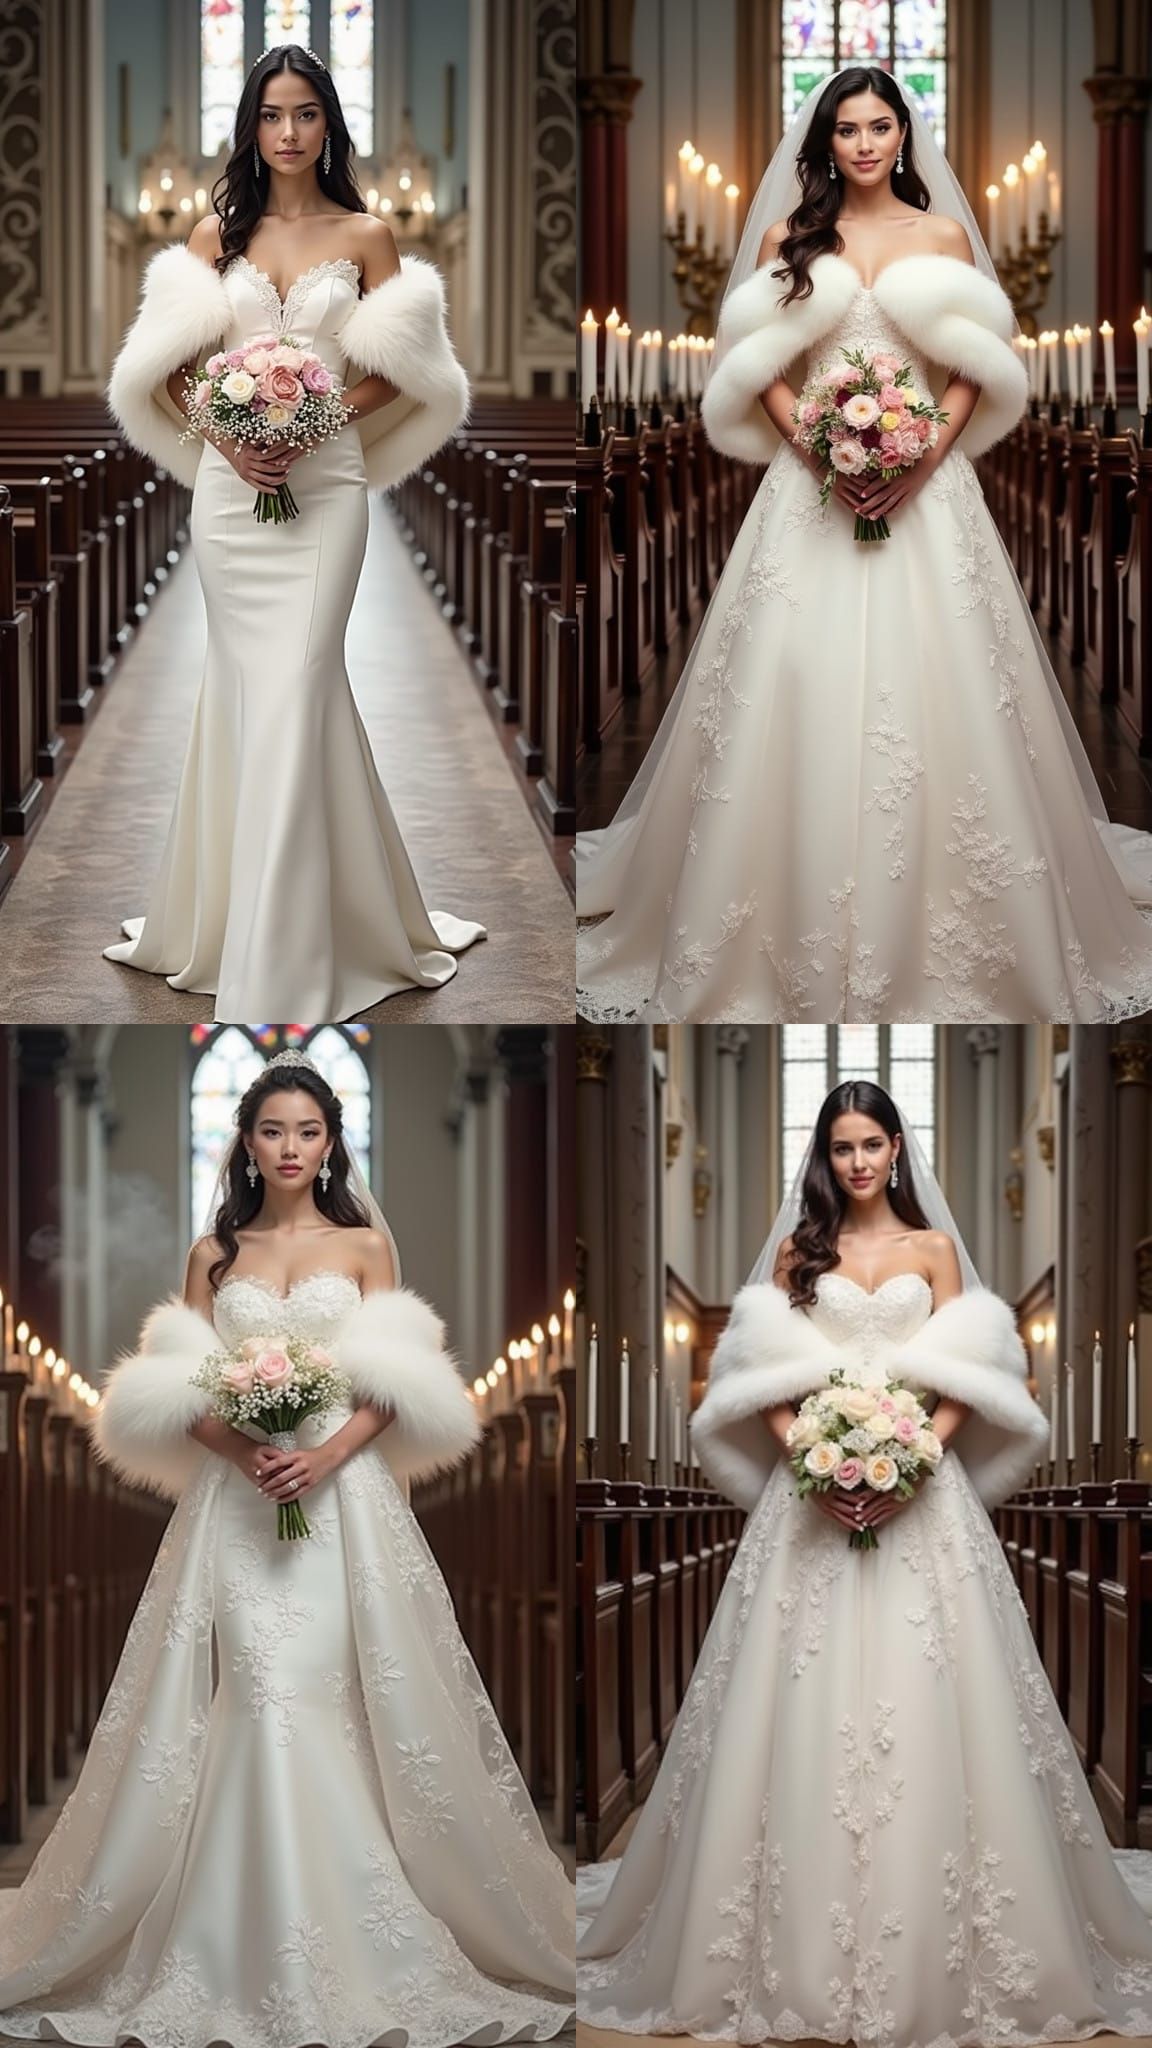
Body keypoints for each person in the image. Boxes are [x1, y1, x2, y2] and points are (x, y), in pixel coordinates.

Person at [0, 1050, 574, 2048]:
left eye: (308, 1129)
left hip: (339, 1499)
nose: (292, 1147)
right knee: (256, 1685)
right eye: (273, 1129)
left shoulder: (361, 1245)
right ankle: (232, 1936)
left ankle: (340, 1931)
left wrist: (323, 1457)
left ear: (331, 1138)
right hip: (238, 1499)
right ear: (247, 1140)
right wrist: (253, 1444)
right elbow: (180, 1388)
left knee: (327, 1691)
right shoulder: (211, 1256)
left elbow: (393, 1380)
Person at [576, 1079, 1152, 2042]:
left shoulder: (932, 1252)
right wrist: (812, 1450)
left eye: (872, 1145)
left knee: (935, 1696)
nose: (856, 1163)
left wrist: (917, 1453)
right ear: (825, 1155)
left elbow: (971, 1371)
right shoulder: (802, 1253)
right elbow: (760, 1374)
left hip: (924, 1495)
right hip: (813, 1503)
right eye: (840, 1147)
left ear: (897, 1148)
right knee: (798, 1704)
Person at [576, 67, 1152, 1024]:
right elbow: (760, 367)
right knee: (794, 680)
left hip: (929, 491)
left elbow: (972, 368)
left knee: (949, 689)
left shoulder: (943, 236)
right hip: (811, 489)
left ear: (903, 132)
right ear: (824, 143)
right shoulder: (785, 240)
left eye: (881, 125)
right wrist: (817, 446)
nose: (867, 144)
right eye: (847, 129)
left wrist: (919, 456)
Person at [104, 43, 484, 1024]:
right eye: (271, 115)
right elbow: (172, 367)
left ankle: (283, 952)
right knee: (249, 696)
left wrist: (314, 420)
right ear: (251, 125)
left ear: (329, 123)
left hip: (330, 491)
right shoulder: (209, 234)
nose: (287, 132)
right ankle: (240, 921)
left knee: (302, 682)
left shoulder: (368, 234)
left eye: (305, 113)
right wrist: (231, 443)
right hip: (232, 501)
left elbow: (410, 372)